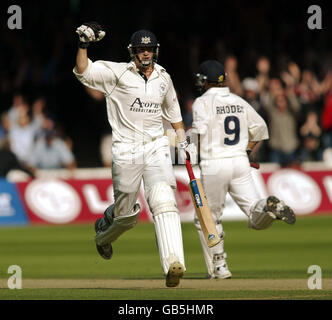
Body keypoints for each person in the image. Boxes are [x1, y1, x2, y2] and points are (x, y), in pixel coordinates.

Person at [73, 22, 196, 287]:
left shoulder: (164, 78)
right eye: (141, 49)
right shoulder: (117, 73)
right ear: (133, 51)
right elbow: (83, 72)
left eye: (149, 49)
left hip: (155, 146)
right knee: (126, 217)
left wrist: (183, 141)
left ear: (155, 51)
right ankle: (103, 236)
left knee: (164, 199)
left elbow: (174, 116)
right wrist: (83, 45)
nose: (146, 54)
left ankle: (174, 264)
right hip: (126, 149)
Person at [191, 60, 296, 279]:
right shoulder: (239, 101)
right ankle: (268, 207)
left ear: (206, 81)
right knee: (254, 214)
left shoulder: (202, 102)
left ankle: (219, 267)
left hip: (214, 164)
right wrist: (246, 152)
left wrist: (190, 158)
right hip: (239, 163)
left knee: (208, 219)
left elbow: (198, 134)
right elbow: (260, 129)